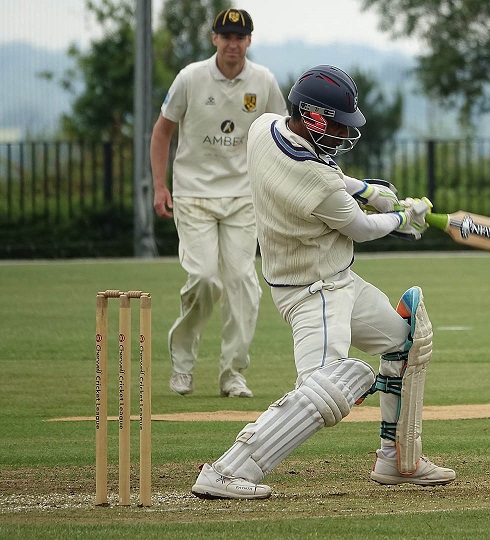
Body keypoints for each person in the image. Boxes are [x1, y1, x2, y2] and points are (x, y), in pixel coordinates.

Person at [190, 65, 456, 499]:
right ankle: (226, 469)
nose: (342, 133)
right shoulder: (314, 181)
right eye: (335, 123)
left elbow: (335, 181)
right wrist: (404, 218)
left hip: (339, 280)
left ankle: (397, 460)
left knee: (404, 342)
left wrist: (367, 188)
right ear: (312, 117)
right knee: (329, 386)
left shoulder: (264, 127)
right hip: (313, 293)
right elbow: (361, 228)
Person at [150, 8, 287, 398]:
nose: (233, 44)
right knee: (206, 279)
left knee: (243, 283)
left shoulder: (263, 81)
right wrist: (160, 186)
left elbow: (281, 139)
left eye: (240, 37)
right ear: (214, 39)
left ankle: (233, 373)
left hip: (244, 197)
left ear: (249, 41)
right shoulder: (190, 78)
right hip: (193, 194)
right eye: (226, 36)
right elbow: (162, 133)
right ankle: (183, 365)